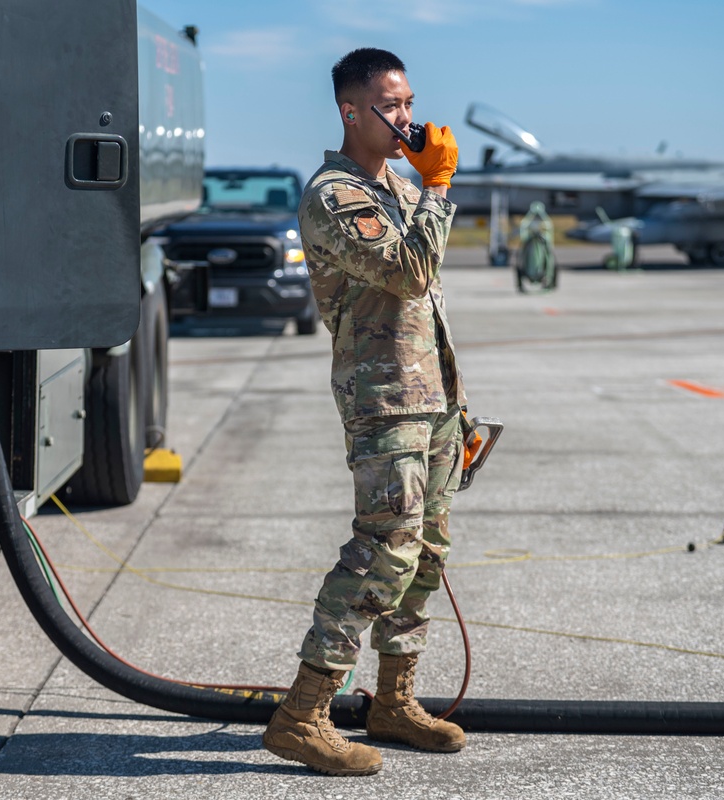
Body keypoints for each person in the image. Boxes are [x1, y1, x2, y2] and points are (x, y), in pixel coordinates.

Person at [262, 48, 468, 777]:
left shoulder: (403, 191)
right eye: (391, 104)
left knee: (427, 555)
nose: (408, 117)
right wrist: (438, 182)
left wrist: (459, 407)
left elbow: (432, 298)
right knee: (383, 551)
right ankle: (302, 715)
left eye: (410, 101)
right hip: (383, 401)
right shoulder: (333, 195)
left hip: (433, 399)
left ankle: (393, 701)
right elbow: (410, 275)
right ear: (352, 111)